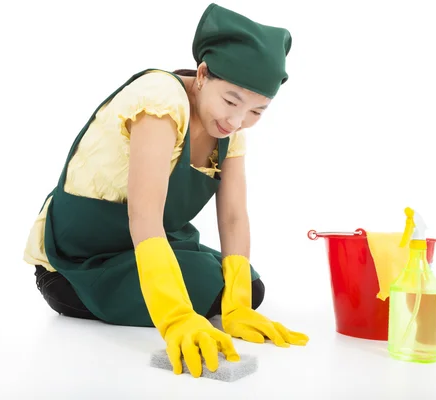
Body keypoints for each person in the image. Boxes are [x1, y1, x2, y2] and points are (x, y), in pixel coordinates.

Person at [23, 3, 309, 378]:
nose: (237, 121)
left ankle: (207, 299)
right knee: (206, 287)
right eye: (230, 101)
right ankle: (91, 295)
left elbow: (235, 215)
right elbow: (143, 214)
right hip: (77, 260)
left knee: (249, 287)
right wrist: (175, 318)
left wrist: (238, 306)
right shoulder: (161, 101)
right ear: (203, 74)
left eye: (257, 112)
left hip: (147, 245)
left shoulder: (230, 131)